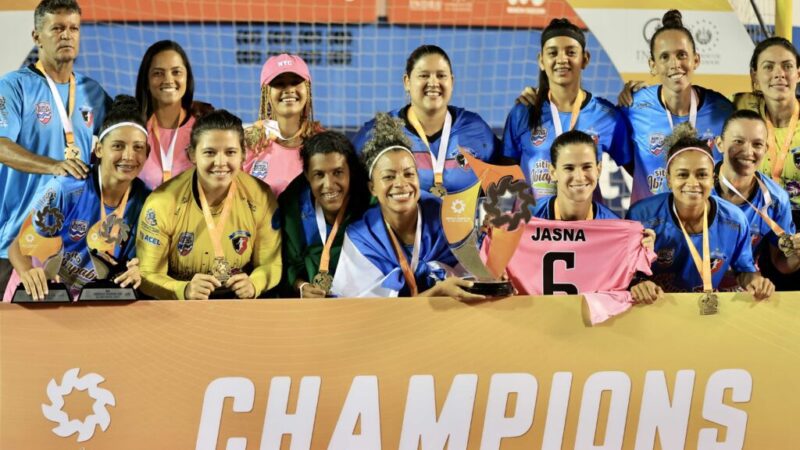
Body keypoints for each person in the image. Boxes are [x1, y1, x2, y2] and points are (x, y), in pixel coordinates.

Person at [0, 0, 110, 294]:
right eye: (57, 28)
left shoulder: (93, 93)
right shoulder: (14, 86)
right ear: (36, 37)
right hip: (14, 246)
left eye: (73, 28)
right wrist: (52, 165)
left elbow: (125, 135)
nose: (67, 35)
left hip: (72, 252)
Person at [4, 95, 149, 301]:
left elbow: (140, 265)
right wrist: (28, 272)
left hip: (93, 304)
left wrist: (139, 271)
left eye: (138, 147)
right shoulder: (68, 188)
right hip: (39, 296)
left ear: (146, 154)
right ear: (99, 149)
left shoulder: (146, 203)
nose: (128, 156)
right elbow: (17, 247)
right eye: (118, 146)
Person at [331, 113, 481, 299]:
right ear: (373, 188)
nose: (401, 183)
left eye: (409, 174)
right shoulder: (362, 237)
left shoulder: (447, 219)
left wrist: (490, 279)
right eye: (388, 176)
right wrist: (436, 293)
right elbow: (359, 311)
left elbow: (474, 278)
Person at [137, 109, 281, 300]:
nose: (220, 162)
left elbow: (271, 264)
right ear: (192, 155)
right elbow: (147, 274)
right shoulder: (162, 203)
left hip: (238, 303)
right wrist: (183, 289)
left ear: (243, 155)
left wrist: (255, 283)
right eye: (209, 152)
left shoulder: (260, 196)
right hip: (179, 306)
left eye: (230, 152)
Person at [627, 123, 774, 303]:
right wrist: (639, 283)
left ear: (713, 179)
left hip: (705, 312)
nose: (693, 183)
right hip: (655, 309)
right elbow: (626, 272)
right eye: (682, 175)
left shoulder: (734, 220)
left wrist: (756, 281)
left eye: (702, 175)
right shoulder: (641, 217)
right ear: (669, 179)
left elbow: (743, 270)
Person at [503, 18, 630, 200]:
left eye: (571, 52)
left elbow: (642, 171)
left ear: (585, 59)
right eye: (552, 53)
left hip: (585, 226)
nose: (562, 59)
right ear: (541, 60)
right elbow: (503, 175)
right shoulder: (523, 112)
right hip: (534, 225)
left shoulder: (607, 116)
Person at [618, 9, 733, 204]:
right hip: (651, 225)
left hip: (705, 224)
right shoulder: (633, 107)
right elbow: (628, 161)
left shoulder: (722, 111)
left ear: (695, 60)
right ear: (652, 65)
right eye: (664, 57)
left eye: (682, 55)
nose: (675, 64)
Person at [352, 45, 498, 196]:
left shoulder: (476, 128)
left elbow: (504, 181)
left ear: (452, 82)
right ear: (406, 82)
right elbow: (346, 179)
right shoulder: (380, 131)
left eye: (441, 75)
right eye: (424, 75)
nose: (433, 82)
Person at [712, 109, 799, 287]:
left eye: (757, 144)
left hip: (743, 289)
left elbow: (782, 264)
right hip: (687, 290)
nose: (748, 151)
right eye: (738, 141)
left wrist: (797, 254)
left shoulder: (776, 199)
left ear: (765, 149)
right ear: (719, 144)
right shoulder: (694, 188)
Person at [280, 131, 370, 298]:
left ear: (350, 171)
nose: (329, 185)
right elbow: (284, 266)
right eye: (319, 175)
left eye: (337, 172)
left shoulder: (370, 205)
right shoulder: (292, 209)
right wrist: (301, 286)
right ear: (307, 175)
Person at [135, 39, 212, 190]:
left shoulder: (205, 127)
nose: (168, 80)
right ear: (146, 81)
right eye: (158, 73)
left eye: (176, 72)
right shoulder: (135, 130)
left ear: (187, 78)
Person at [243, 53, 320, 197]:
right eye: (279, 83)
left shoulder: (323, 143)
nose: (289, 89)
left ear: (307, 88)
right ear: (266, 92)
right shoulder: (248, 145)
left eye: (296, 81)